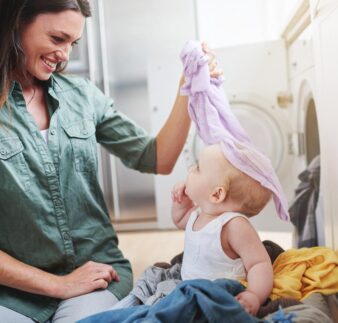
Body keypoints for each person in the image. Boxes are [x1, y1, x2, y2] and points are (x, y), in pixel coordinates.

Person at [0, 0, 220, 322]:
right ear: (16, 24)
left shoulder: (83, 96)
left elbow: (157, 157)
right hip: (15, 289)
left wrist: (187, 86)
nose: (65, 56)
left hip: (96, 272)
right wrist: (59, 285)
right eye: (57, 39)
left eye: (73, 44)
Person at [171, 144, 274, 316]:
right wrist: (180, 202)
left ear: (216, 195)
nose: (190, 168)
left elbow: (259, 264)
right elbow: (180, 220)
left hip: (220, 294)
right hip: (188, 289)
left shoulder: (234, 226)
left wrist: (254, 295)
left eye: (197, 168)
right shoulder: (199, 213)